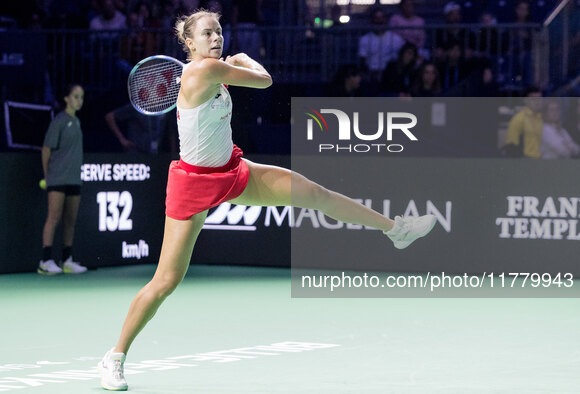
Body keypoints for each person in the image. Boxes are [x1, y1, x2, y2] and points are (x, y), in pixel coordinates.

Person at [97, 10, 436, 391]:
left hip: (232, 169)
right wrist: (241, 60)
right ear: (189, 44)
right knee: (166, 281)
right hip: (193, 184)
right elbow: (265, 81)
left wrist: (232, 64)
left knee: (312, 193)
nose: (216, 39)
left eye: (219, 32)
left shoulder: (212, 70)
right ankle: (115, 357)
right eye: (207, 34)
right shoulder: (201, 72)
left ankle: (396, 230)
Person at [38, 84, 88, 275]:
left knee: (70, 221)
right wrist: (47, 176)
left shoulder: (77, 122)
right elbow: (46, 149)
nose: (79, 100)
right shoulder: (59, 121)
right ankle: (45, 261)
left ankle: (67, 260)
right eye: (75, 96)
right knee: (53, 218)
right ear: (66, 98)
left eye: (81, 97)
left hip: (74, 179)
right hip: (57, 178)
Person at [503, 86, 543, 158]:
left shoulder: (543, 118)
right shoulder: (518, 119)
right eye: (533, 99)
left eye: (539, 99)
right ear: (525, 100)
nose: (538, 102)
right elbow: (512, 148)